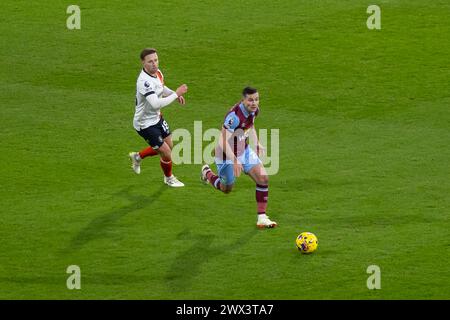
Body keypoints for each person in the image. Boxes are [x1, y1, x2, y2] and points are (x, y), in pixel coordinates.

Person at [201, 87, 277, 228]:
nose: (254, 103)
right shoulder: (234, 117)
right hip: (225, 155)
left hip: (243, 150)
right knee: (226, 189)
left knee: (263, 178)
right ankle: (207, 173)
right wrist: (234, 160)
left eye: (256, 99)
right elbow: (222, 141)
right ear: (243, 100)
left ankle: (262, 217)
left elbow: (250, 126)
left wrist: (257, 143)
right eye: (250, 100)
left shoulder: (254, 110)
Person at [129, 48, 187, 187]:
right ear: (143, 63)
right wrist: (176, 94)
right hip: (145, 124)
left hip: (156, 118)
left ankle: (138, 156)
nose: (154, 64)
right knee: (166, 152)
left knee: (169, 146)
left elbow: (162, 87)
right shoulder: (144, 81)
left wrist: (174, 94)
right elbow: (155, 104)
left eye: (156, 60)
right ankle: (169, 178)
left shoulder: (157, 73)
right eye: (150, 61)